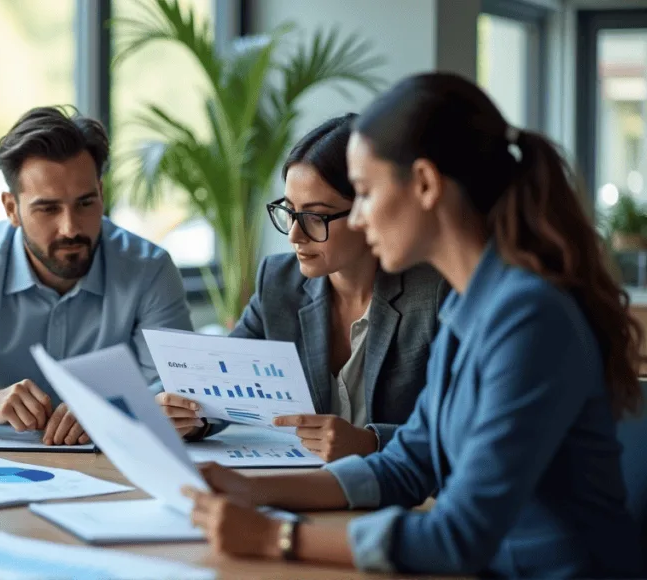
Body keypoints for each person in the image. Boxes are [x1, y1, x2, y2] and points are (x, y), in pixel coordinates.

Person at [182, 72, 645, 577]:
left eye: (364, 193)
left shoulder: (528, 319)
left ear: (424, 184)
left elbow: (457, 537)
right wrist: (252, 488)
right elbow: (406, 464)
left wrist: (277, 535)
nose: (357, 219)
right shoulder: (471, 307)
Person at [157, 114, 447, 462]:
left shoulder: (433, 293)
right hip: (304, 486)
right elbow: (220, 389)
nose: (295, 235)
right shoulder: (279, 282)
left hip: (405, 497)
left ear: (367, 209)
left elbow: (456, 430)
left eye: (316, 216)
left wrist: (370, 443)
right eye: (290, 212)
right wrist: (191, 416)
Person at [0, 105, 193, 444]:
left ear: (101, 193)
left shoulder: (149, 268)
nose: (70, 228)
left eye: (85, 203)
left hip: (115, 462)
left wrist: (115, 409)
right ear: (12, 209)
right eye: (48, 208)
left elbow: (178, 389)